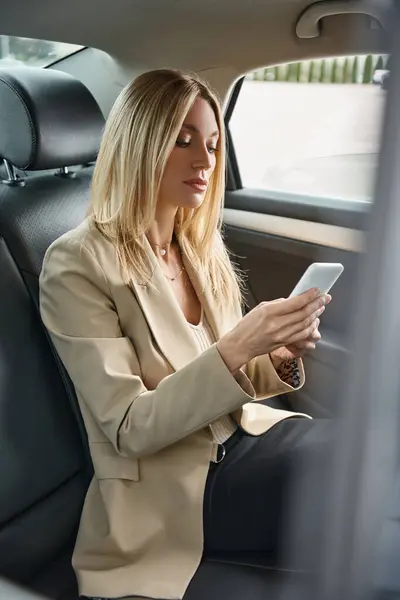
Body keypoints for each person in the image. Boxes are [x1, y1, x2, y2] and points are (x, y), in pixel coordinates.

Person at [39, 69, 331, 600]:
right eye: (184, 139)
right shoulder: (76, 264)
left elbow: (233, 379)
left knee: (369, 452)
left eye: (214, 145)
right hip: (178, 489)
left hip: (246, 438)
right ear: (140, 143)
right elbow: (130, 427)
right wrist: (241, 343)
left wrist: (282, 353)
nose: (205, 161)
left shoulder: (196, 247)